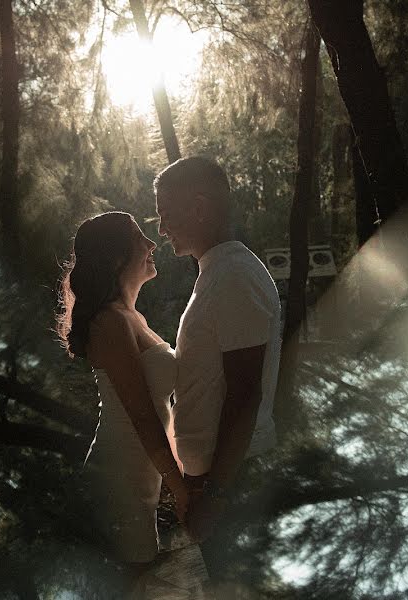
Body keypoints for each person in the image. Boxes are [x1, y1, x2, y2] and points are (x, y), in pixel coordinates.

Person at [55, 211, 207, 597]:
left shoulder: (132, 316)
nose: (153, 245)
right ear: (116, 257)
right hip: (118, 475)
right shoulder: (109, 322)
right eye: (142, 238)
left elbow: (160, 411)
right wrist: (180, 489)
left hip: (140, 474)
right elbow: (142, 417)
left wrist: (181, 478)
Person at [154, 157, 282, 569]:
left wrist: (215, 496)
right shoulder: (217, 273)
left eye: (166, 213)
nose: (161, 227)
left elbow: (245, 394)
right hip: (209, 477)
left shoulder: (234, 276)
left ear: (199, 207)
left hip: (223, 481)